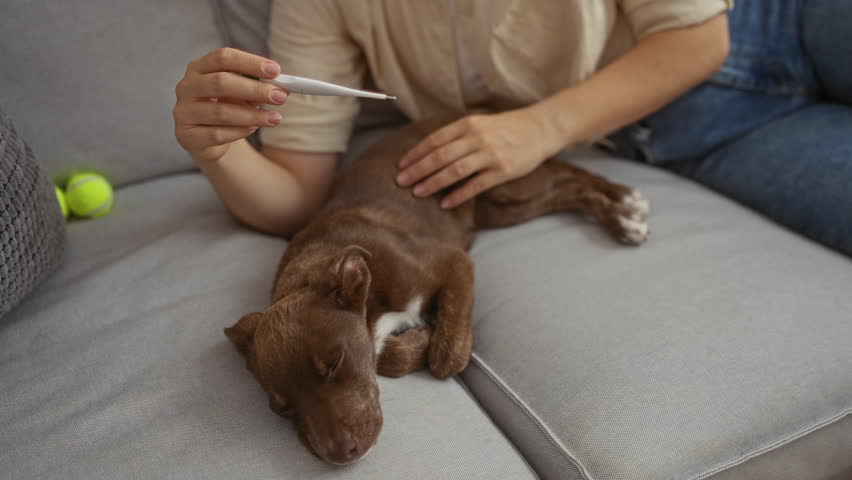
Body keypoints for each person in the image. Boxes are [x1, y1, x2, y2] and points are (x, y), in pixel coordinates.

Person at [173, 1, 852, 257]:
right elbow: (297, 196)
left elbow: (699, 36)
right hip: (682, 132)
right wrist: (218, 150)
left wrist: (538, 129)